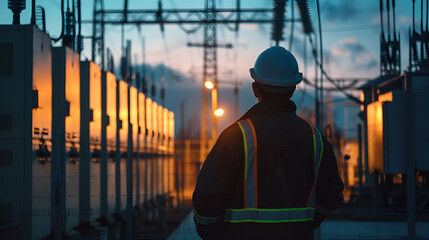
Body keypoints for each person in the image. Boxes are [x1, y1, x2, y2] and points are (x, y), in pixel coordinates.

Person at [192, 46, 344, 240]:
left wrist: (213, 232)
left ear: (255, 88)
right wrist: (306, 224)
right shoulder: (316, 139)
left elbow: (207, 201)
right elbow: (331, 196)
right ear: (293, 89)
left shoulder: (235, 136)